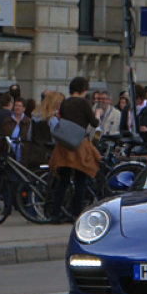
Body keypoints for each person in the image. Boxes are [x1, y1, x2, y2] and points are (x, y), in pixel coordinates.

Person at [50, 77, 100, 221]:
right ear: (84, 89)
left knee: (63, 181)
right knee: (80, 180)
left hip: (64, 144)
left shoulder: (65, 102)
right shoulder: (83, 102)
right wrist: (97, 115)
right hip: (78, 144)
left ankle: (55, 213)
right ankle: (75, 213)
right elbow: (93, 123)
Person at [24, 93, 59, 170]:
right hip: (48, 153)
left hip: (35, 152)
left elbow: (29, 136)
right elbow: (55, 138)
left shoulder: (34, 117)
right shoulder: (52, 119)